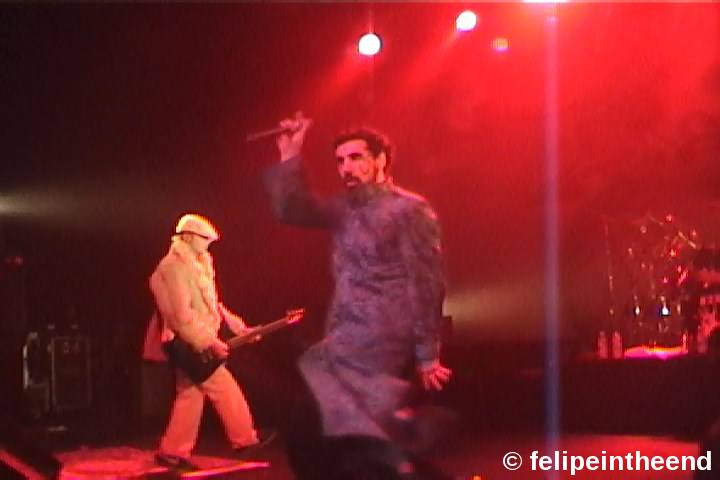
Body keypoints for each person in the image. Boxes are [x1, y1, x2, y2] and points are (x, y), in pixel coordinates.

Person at [264, 114, 452, 479]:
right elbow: (292, 209)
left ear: (381, 160)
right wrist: (290, 152)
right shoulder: (344, 208)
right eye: (340, 161)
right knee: (342, 435)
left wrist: (427, 352)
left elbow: (427, 281)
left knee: (340, 433)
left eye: (356, 157)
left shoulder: (409, 210)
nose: (346, 168)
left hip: (386, 339)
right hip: (345, 335)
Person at [146, 213, 273, 471]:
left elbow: (214, 306)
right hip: (186, 341)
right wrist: (208, 342)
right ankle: (245, 439)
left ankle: (172, 451)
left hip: (196, 339)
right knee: (223, 385)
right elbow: (181, 316)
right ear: (189, 237)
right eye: (204, 239)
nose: (208, 245)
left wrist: (239, 328)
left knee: (190, 394)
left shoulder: (197, 264)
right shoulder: (173, 267)